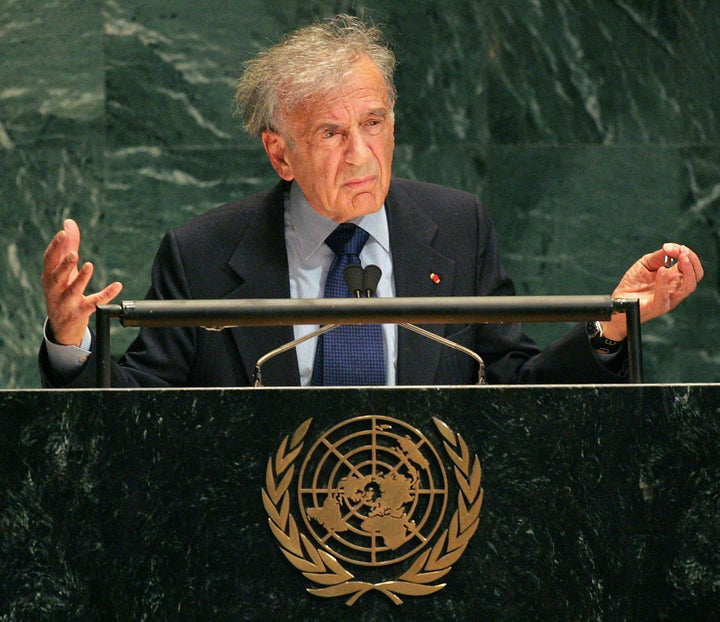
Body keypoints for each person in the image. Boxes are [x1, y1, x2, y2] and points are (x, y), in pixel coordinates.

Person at [39, 15, 703, 388]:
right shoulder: (202, 253)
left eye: (374, 123)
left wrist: (612, 322)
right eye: (330, 132)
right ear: (280, 153)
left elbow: (511, 391)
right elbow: (138, 409)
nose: (360, 153)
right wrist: (71, 343)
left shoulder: (457, 227)